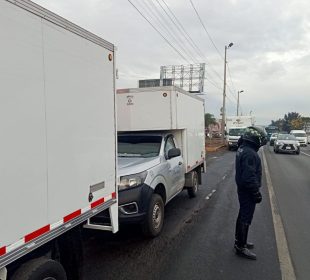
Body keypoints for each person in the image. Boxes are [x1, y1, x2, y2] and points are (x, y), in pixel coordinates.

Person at [234, 126, 267, 260]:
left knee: (242, 214)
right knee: (245, 217)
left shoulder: (243, 148)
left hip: (242, 189)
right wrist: (256, 193)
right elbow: (249, 177)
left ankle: (240, 241)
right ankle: (241, 247)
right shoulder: (250, 153)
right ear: (255, 138)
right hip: (247, 191)